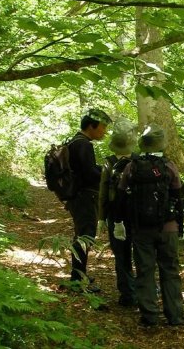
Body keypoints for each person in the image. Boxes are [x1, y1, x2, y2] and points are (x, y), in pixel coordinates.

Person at [113, 124, 184, 326]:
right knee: (170, 270)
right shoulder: (169, 166)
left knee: (145, 271)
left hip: (141, 229)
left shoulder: (132, 166)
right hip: (168, 228)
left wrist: (118, 222)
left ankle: (149, 316)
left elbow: (120, 196)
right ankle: (175, 315)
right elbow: (178, 196)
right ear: (161, 145)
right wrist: (181, 223)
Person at [65, 108, 112, 292]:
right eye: (102, 127)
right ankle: (77, 282)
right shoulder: (83, 144)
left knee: (82, 236)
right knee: (85, 237)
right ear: (91, 126)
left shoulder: (76, 141)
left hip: (78, 196)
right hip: (84, 197)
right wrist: (107, 172)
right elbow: (90, 173)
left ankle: (79, 275)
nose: (104, 132)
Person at [97, 118, 138, 307]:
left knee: (121, 256)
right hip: (140, 215)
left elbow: (103, 192)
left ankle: (127, 294)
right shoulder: (140, 161)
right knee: (141, 254)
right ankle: (146, 291)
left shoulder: (109, 163)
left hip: (115, 215)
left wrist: (101, 218)